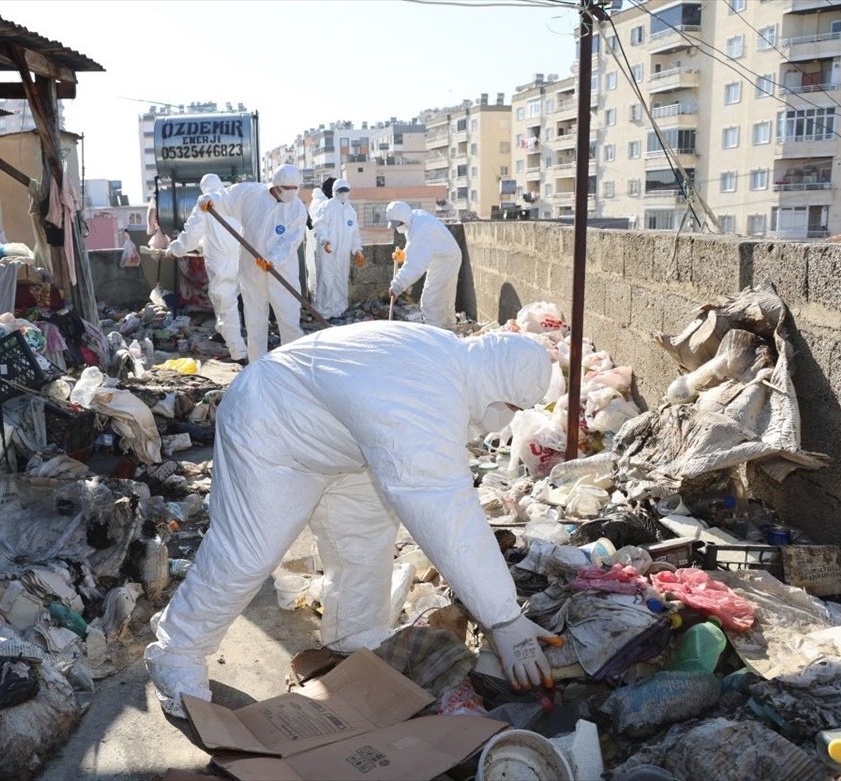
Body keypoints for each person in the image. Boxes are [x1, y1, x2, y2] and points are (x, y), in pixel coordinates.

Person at [145, 322, 558, 718]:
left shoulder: (449, 357)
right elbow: (446, 511)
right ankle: (176, 650)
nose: (507, 418)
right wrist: (504, 618)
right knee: (248, 553)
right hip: (270, 423)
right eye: (511, 407)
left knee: (365, 539)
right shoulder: (425, 395)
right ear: (496, 386)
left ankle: (355, 637)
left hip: (340, 438)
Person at [198, 163, 307, 362]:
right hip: (251, 270)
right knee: (255, 322)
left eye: (295, 188)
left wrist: (273, 259)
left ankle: (293, 367)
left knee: (289, 321)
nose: (292, 192)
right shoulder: (250, 194)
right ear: (276, 186)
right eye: (288, 188)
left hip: (282, 272)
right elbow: (224, 197)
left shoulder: (298, 209)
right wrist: (208, 200)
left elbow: (291, 241)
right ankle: (258, 367)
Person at [165, 174, 247, 362]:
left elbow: (192, 234)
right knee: (227, 299)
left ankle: (238, 352)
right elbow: (213, 233)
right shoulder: (231, 198)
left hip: (221, 262)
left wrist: (175, 250)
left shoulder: (205, 203)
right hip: (242, 257)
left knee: (225, 303)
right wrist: (203, 245)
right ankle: (222, 332)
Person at [385, 200, 462, 326]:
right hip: (444, 258)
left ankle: (436, 335)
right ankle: (449, 330)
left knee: (430, 302)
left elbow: (415, 265)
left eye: (395, 223)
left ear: (402, 218)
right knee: (444, 299)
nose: (395, 226)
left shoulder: (421, 227)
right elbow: (415, 247)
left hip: (445, 261)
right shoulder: (415, 218)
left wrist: (397, 285)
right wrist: (404, 254)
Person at [312, 179, 364, 319]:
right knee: (326, 279)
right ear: (335, 192)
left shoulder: (350, 210)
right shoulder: (326, 207)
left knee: (341, 279)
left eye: (346, 191)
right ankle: (324, 310)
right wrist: (325, 241)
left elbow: (354, 233)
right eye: (341, 191)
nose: (343, 194)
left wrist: (357, 250)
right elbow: (319, 225)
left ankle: (340, 309)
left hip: (343, 253)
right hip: (327, 251)